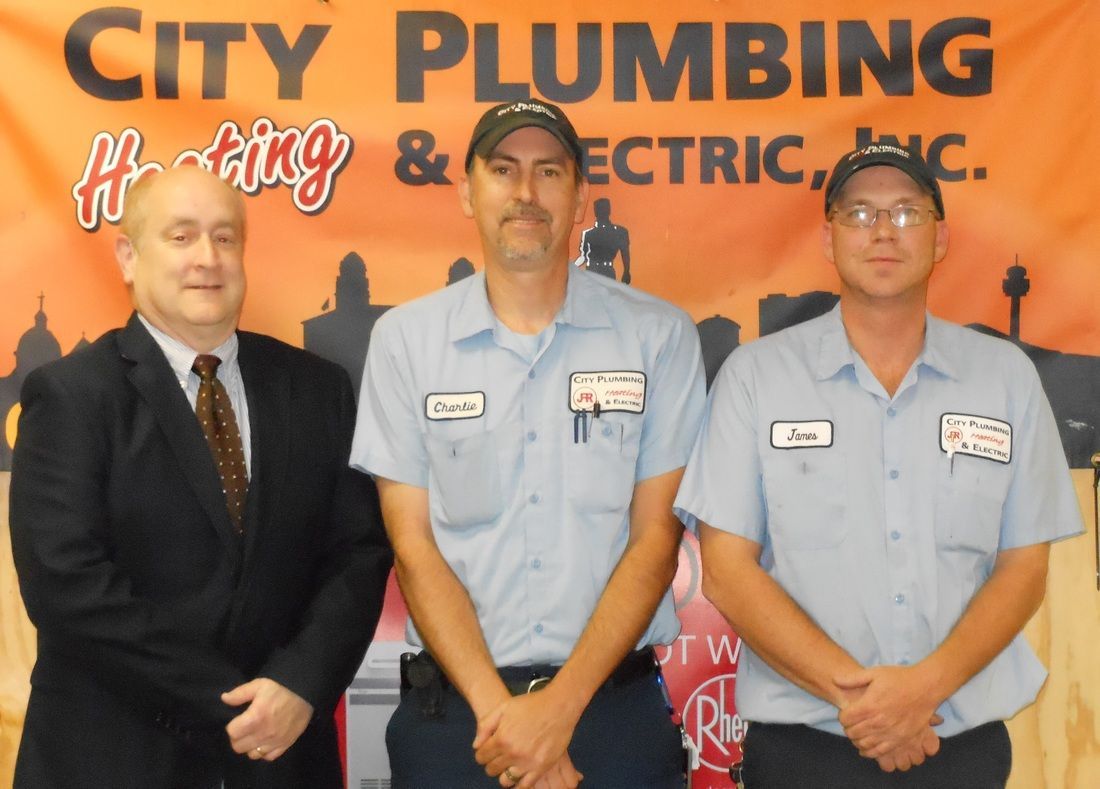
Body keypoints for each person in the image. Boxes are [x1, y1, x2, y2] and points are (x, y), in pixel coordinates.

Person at [674, 143, 1083, 788]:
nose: (883, 231)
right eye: (860, 213)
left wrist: (923, 691)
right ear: (828, 238)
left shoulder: (1004, 377)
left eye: (906, 213)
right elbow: (726, 569)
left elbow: (1024, 565)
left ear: (940, 237)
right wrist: (863, 702)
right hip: (803, 750)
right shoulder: (757, 377)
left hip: (961, 746)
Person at [351, 98, 706, 788]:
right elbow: (414, 548)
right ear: (466, 191)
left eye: (549, 172)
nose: (525, 193)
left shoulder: (659, 337)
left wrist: (555, 712)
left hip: (611, 713)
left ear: (579, 200)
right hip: (458, 719)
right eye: (503, 170)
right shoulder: (406, 342)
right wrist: (504, 718)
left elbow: (655, 543)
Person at [9, 166, 392, 788]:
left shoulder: (316, 389)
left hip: (283, 759)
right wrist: (233, 703)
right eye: (181, 237)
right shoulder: (69, 394)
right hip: (114, 760)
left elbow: (357, 555)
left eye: (224, 237)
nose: (207, 259)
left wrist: (299, 684)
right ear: (129, 257)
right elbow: (66, 583)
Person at [579, 197, 631, 283]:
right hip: (592, 271)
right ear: (595, 212)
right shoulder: (588, 233)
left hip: (607, 271)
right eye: (600, 209)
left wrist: (626, 271)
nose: (602, 212)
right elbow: (583, 256)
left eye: (604, 209)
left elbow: (625, 253)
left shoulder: (619, 232)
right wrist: (571, 268)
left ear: (609, 210)